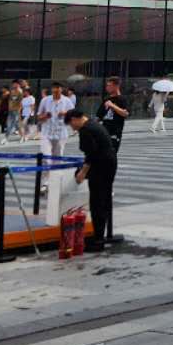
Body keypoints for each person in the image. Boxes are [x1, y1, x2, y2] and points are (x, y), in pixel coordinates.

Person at [65, 106, 117, 249]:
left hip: (100, 166)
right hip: (110, 163)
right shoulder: (94, 124)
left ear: (74, 119)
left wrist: (82, 172)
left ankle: (98, 239)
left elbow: (91, 154)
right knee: (104, 198)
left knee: (97, 201)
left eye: (71, 125)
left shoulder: (85, 130)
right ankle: (101, 235)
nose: (72, 128)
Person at [38, 82, 75, 156]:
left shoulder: (67, 101)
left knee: (57, 156)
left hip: (61, 133)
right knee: (46, 156)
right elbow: (39, 116)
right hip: (46, 133)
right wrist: (45, 116)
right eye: (54, 88)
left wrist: (65, 113)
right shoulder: (45, 100)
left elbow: (73, 114)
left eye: (57, 88)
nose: (55, 90)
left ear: (61, 89)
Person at [100, 77, 129, 151]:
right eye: (107, 85)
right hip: (104, 131)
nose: (107, 87)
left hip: (115, 132)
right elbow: (99, 116)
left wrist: (112, 106)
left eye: (110, 85)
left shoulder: (122, 99)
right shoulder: (106, 99)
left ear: (117, 86)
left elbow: (125, 114)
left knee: (111, 153)